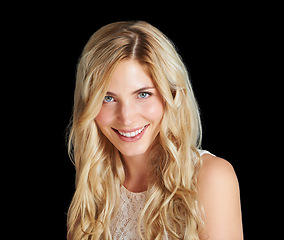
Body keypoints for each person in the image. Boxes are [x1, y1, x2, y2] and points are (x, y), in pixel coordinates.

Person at [67, 21, 243, 240]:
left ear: (172, 95)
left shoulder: (211, 178)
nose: (127, 117)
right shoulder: (93, 187)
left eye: (143, 94)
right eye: (108, 98)